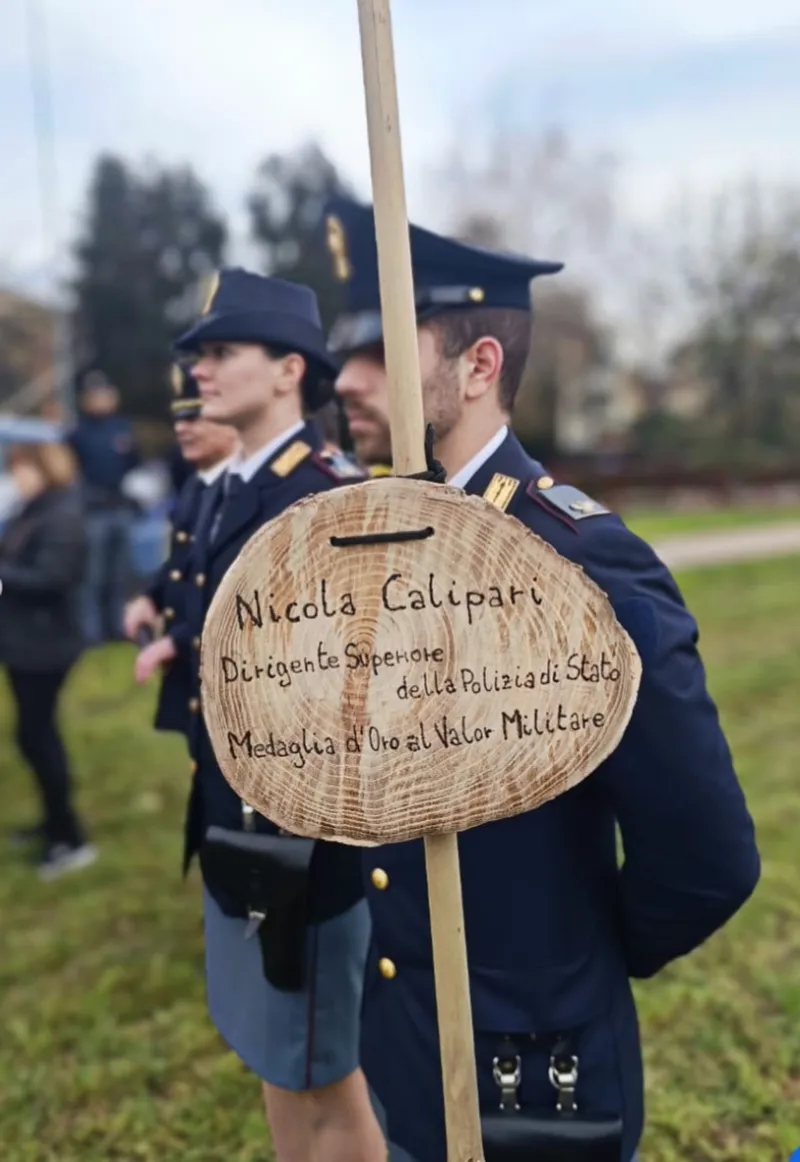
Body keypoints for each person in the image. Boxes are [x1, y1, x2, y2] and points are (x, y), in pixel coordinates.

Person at [324, 194, 761, 1162]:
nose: (345, 382)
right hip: (404, 1039)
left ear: (477, 366)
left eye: (382, 350)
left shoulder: (575, 563)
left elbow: (706, 856)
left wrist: (576, 959)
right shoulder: (366, 540)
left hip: (524, 1058)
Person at [134, 269, 386, 1162]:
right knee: (278, 1063)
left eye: (220, 352)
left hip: (303, 840)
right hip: (237, 823)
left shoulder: (322, 493)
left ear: (289, 370)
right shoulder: (235, 483)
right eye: (197, 354)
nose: (200, 371)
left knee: (325, 1072)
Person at [0, 440, 97, 880]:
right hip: (24, 642)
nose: (15, 477)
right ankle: (52, 822)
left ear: (44, 469)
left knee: (39, 738)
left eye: (20, 468)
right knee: (32, 737)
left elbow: (54, 578)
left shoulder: (63, 515)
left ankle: (70, 838)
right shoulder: (32, 509)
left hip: (46, 648)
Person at [124, 364, 238, 739]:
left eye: (195, 417)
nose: (181, 428)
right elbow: (184, 558)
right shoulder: (197, 483)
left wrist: (174, 641)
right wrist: (151, 597)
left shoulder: (237, 488)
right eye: (178, 418)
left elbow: (231, 591)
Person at [68, 370, 140, 645]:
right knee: (92, 576)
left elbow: (133, 463)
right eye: (95, 395)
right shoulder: (78, 432)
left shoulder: (121, 428)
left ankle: (118, 629)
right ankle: (92, 633)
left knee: (120, 575)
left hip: (119, 506)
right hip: (92, 509)